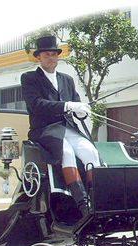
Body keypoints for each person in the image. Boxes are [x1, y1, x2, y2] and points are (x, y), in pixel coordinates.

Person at [21, 35, 100, 227]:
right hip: (44, 130)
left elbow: (76, 101)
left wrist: (82, 109)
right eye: (47, 54)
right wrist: (67, 105)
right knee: (66, 152)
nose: (51, 58)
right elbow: (36, 104)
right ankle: (83, 204)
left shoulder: (67, 80)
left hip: (67, 128)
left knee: (91, 151)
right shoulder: (30, 78)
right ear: (38, 57)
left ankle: (97, 198)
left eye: (54, 54)